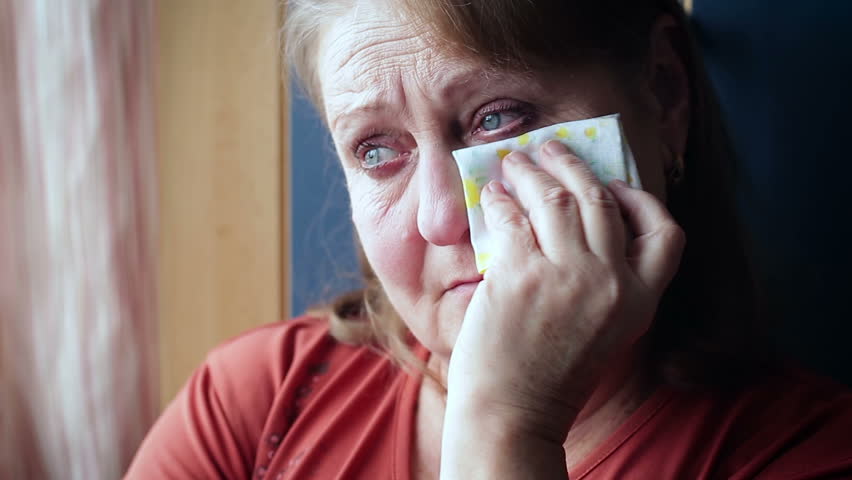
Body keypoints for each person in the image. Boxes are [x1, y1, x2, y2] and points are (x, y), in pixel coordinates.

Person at [126, 0, 852, 478]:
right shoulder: (254, 404)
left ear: (662, 92)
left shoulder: (803, 456)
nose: (440, 220)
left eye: (497, 118)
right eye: (378, 151)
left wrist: (506, 424)